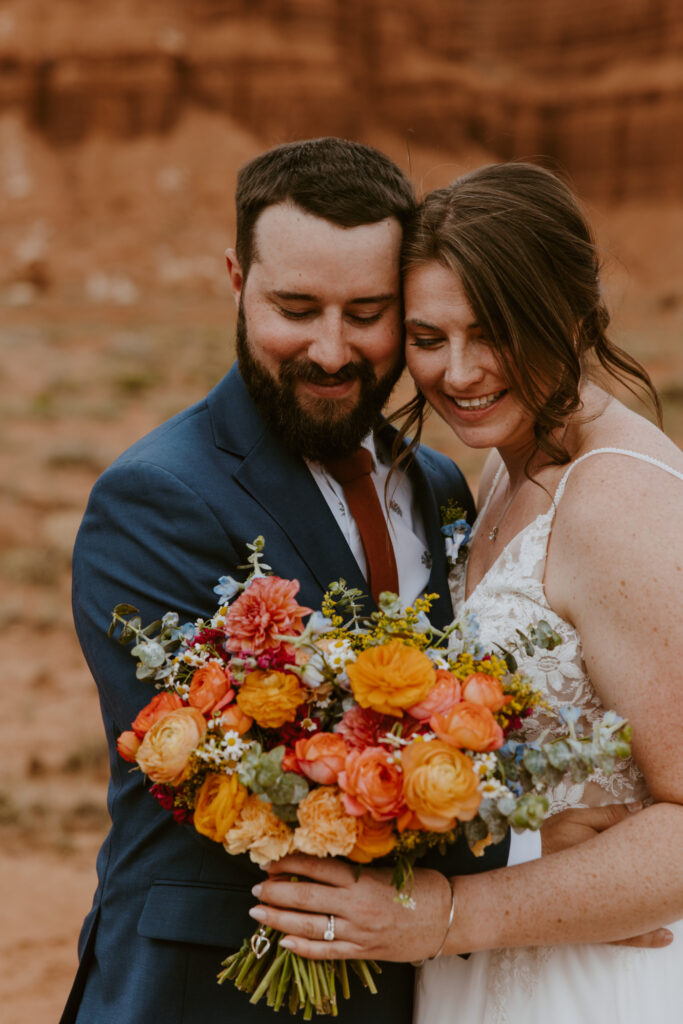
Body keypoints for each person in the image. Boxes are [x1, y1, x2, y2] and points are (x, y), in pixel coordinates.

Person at [60, 141, 665, 1024]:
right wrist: (519, 843)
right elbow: (228, 777)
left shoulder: (446, 483)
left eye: (370, 313)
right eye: (294, 308)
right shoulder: (157, 498)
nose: (331, 350)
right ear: (237, 279)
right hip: (209, 993)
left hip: (428, 979)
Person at [248, 163, 683, 1023]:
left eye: (494, 331)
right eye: (427, 335)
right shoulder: (501, 466)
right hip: (474, 970)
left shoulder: (618, 502)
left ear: (573, 312)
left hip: (582, 989)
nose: (459, 371)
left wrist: (446, 914)